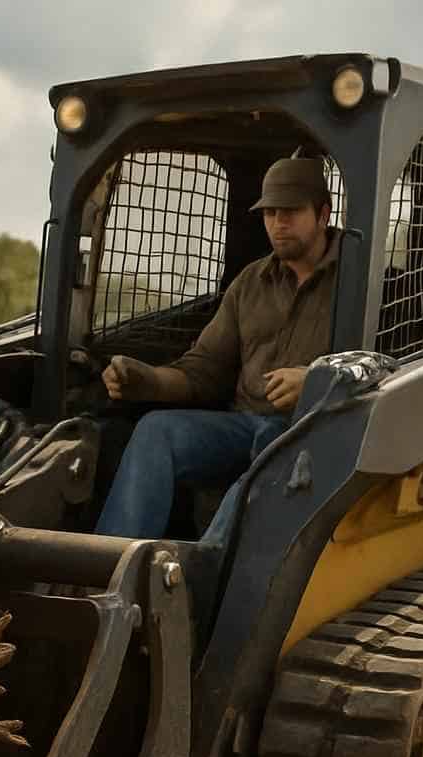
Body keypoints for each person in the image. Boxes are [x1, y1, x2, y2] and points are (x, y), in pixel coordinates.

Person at [93, 155, 340, 539]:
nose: (278, 222)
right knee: (156, 430)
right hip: (243, 425)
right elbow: (205, 368)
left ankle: (200, 578)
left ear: (323, 214)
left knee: (267, 458)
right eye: (270, 212)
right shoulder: (250, 282)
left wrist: (316, 381)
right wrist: (149, 381)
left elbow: (387, 368)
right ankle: (109, 565)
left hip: (312, 432)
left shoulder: (360, 278)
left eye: (290, 211)